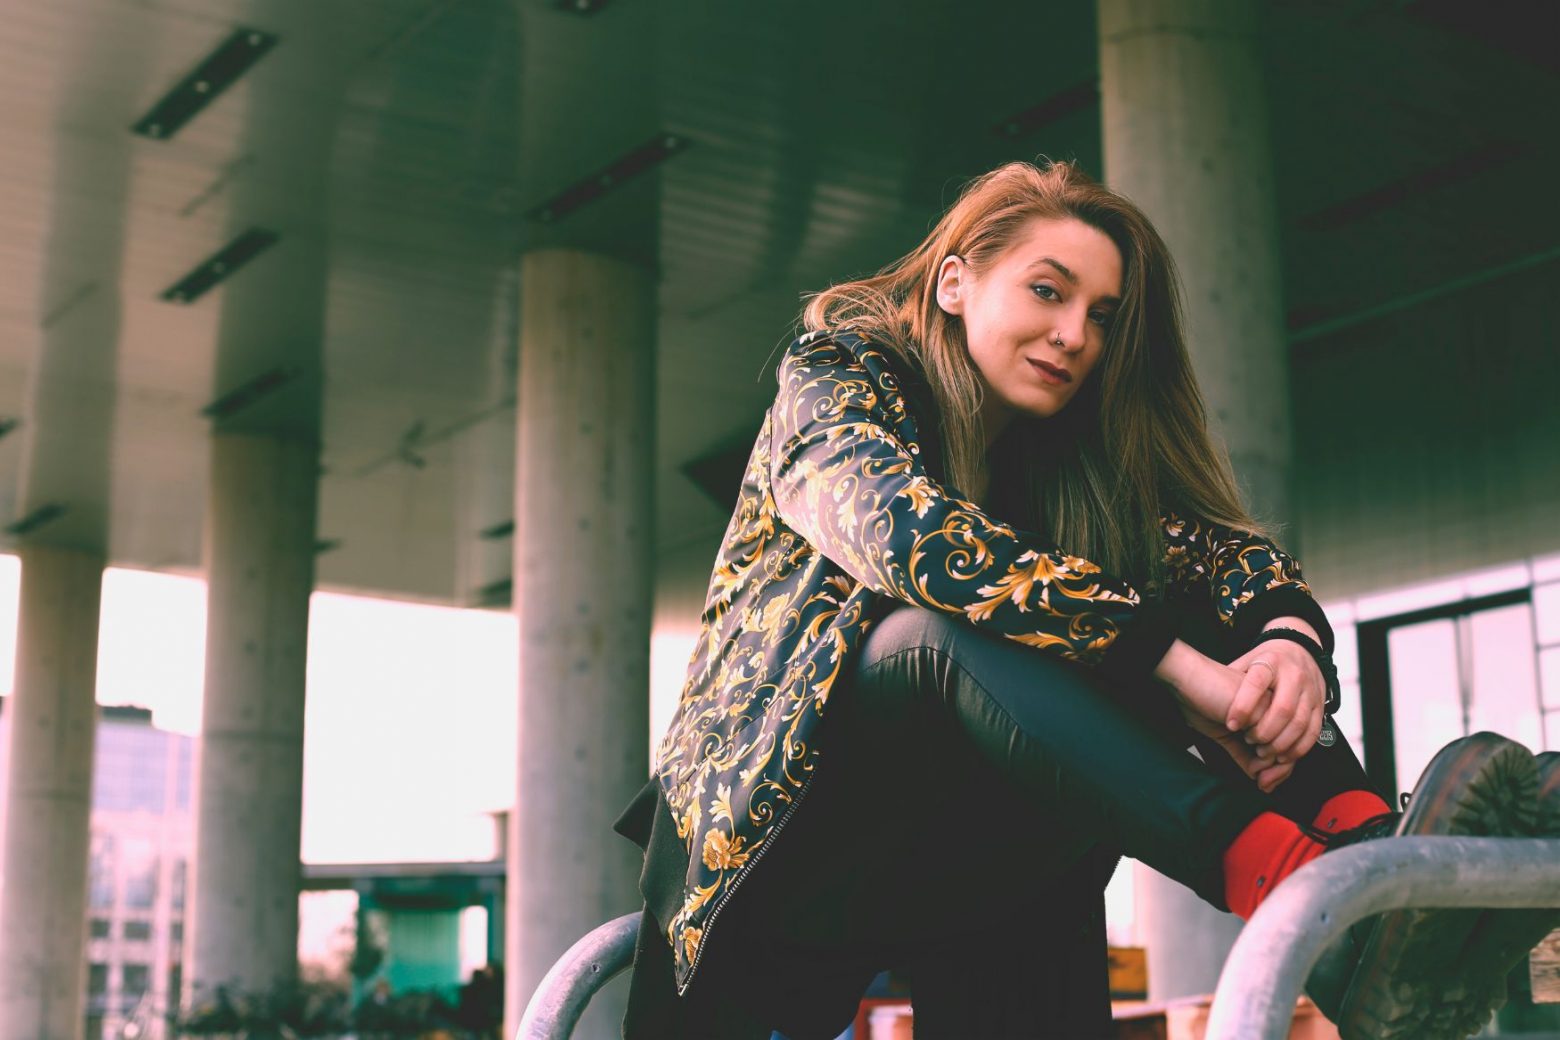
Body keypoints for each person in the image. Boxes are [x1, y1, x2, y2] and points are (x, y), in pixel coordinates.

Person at [610, 159, 1555, 1040]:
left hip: (973, 847)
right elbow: (907, 537)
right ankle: (1301, 884)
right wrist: (1172, 669)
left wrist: (1287, 641)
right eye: (1048, 291)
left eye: (1102, 315)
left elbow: (1224, 556)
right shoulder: (838, 375)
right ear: (954, 283)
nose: (1076, 335)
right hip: (784, 842)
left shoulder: (1063, 458)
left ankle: (1370, 873)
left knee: (1174, 611)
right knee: (938, 635)